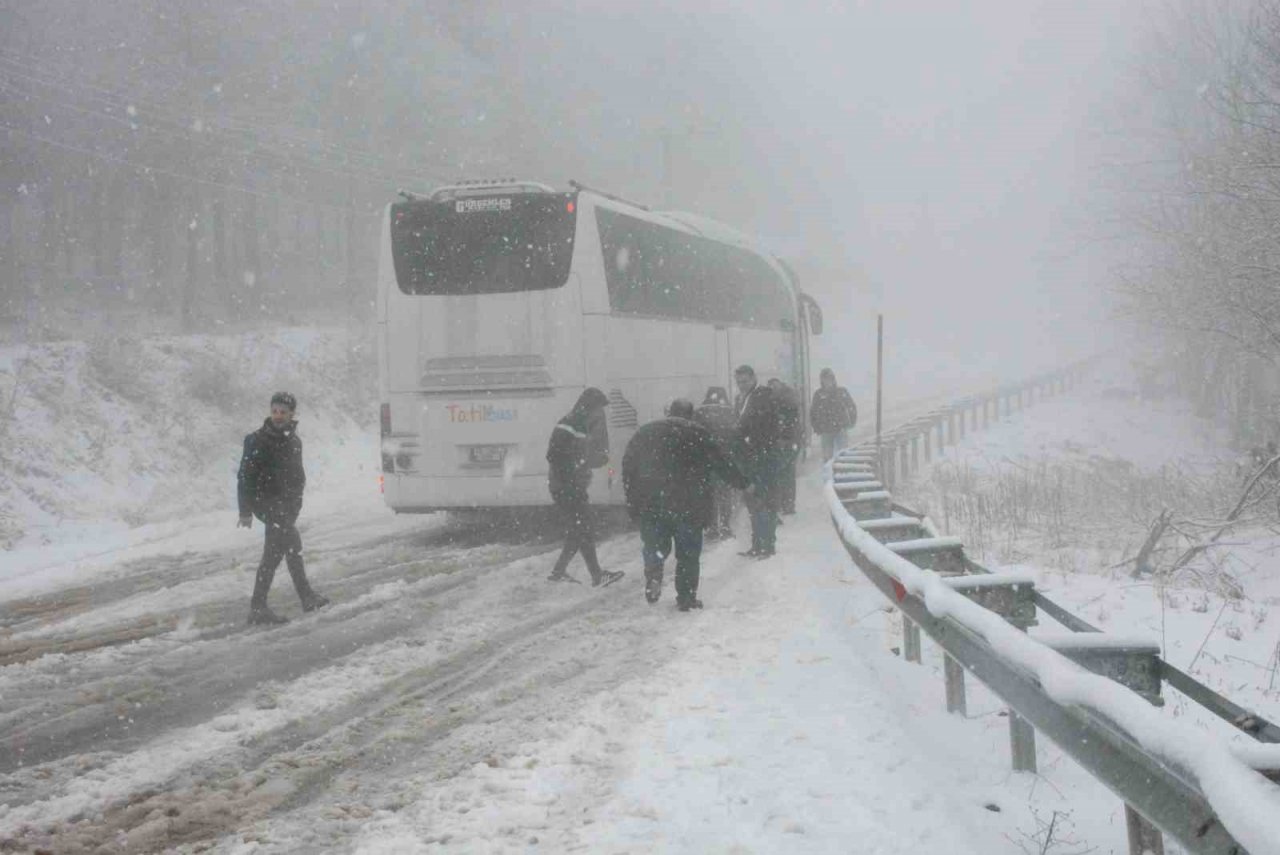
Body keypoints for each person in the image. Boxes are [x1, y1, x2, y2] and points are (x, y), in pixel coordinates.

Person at [623, 399, 748, 610]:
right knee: (688, 553)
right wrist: (743, 483)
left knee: (655, 544)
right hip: (689, 504)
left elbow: (628, 467)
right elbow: (722, 464)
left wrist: (632, 499)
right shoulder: (698, 433)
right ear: (691, 416)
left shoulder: (645, 432)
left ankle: (654, 572)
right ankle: (686, 598)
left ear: (669, 412)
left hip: (653, 502)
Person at [237, 392, 329, 625]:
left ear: (291, 414)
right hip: (265, 503)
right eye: (275, 411)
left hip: (285, 507)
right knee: (289, 548)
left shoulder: (294, 442)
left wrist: (294, 506)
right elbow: (245, 477)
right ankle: (302, 598)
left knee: (277, 552)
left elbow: (298, 478)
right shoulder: (256, 440)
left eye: (283, 412)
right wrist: (245, 511)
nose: (278, 416)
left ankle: (260, 607)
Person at [545, 387, 625, 587]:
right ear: (591, 407)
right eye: (599, 409)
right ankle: (597, 576)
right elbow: (554, 455)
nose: (600, 414)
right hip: (567, 487)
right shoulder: (573, 423)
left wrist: (594, 459)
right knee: (584, 528)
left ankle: (559, 572)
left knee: (578, 529)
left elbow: (580, 456)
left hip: (567, 485)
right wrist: (571, 476)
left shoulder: (578, 423)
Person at [733, 365, 787, 558]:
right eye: (738, 382)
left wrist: (744, 436)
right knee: (753, 504)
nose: (741, 385)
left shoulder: (763, 396)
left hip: (765, 458)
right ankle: (757, 544)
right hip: (752, 459)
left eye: (745, 381)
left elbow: (763, 428)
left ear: (754, 378)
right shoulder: (743, 399)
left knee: (765, 502)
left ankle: (768, 546)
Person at [694, 386, 739, 539]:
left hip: (706, 461)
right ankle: (725, 526)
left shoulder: (699, 413)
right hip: (725, 460)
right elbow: (735, 436)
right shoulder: (730, 412)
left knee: (709, 495)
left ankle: (712, 527)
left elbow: (695, 436)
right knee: (725, 494)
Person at [767, 378, 803, 515]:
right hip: (789, 441)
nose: (773, 389)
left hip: (786, 441)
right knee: (787, 473)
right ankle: (787, 504)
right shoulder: (788, 398)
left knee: (782, 473)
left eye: (774, 386)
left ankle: (784, 504)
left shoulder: (785, 400)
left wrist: (782, 437)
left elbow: (789, 422)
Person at [810, 367, 858, 462]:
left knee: (843, 455)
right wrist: (817, 427)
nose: (827, 381)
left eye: (829, 378)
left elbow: (851, 406)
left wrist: (851, 422)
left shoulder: (841, 392)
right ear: (821, 380)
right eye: (824, 379)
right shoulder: (818, 394)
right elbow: (813, 412)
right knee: (828, 458)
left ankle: (843, 472)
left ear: (833, 379)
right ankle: (829, 474)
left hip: (840, 428)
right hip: (825, 430)